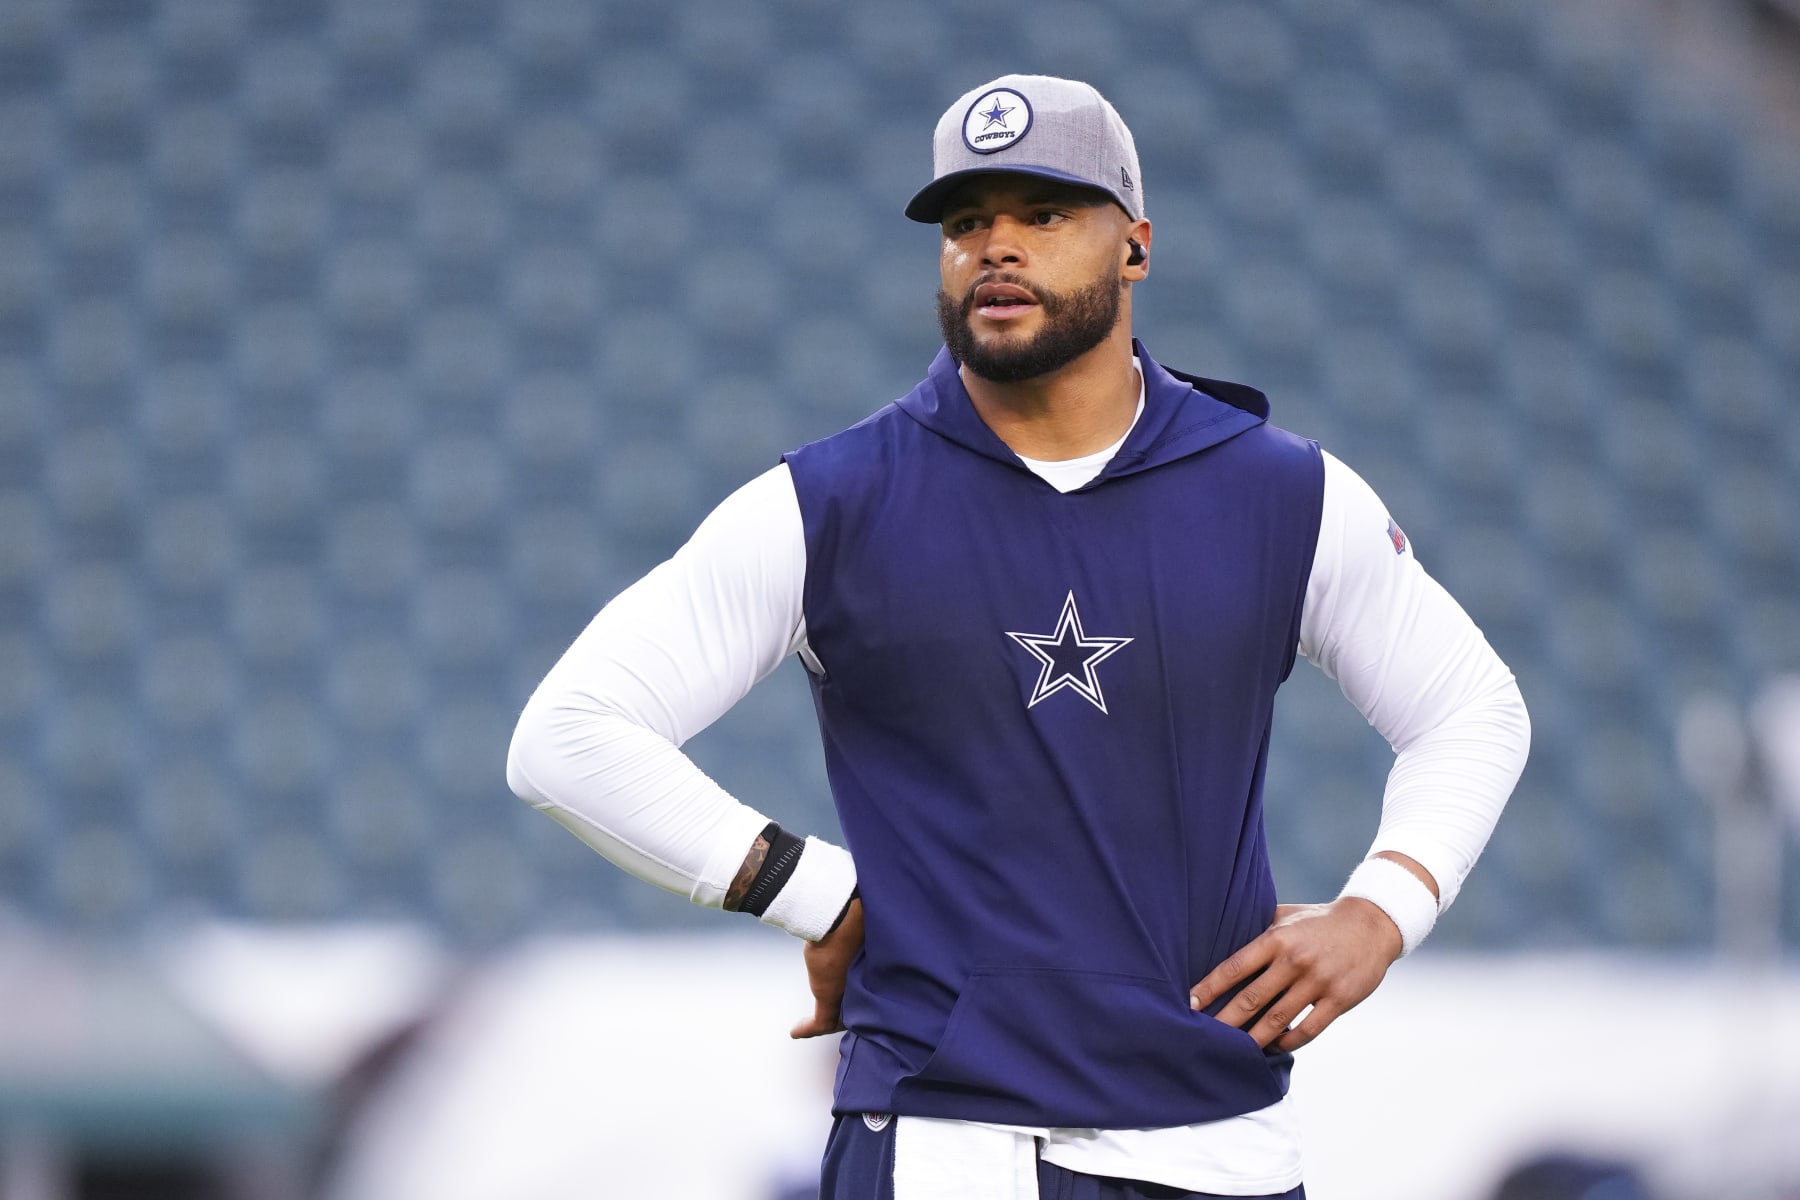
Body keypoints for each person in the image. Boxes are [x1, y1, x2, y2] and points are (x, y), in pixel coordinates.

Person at [507, 74, 1530, 1200]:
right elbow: (569, 732)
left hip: (1224, 1142)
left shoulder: (1282, 494)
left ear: (1134, 248)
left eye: (1042, 214)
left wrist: (1386, 906)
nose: (995, 247)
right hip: (946, 1144)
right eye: (965, 223)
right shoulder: (831, 501)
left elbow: (1471, 710)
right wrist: (821, 893)